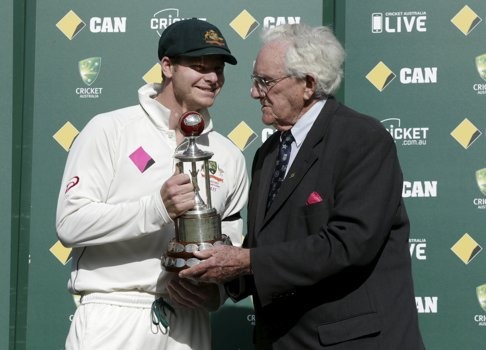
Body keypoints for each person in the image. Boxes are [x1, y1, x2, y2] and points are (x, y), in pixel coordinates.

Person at [180, 23, 425, 349]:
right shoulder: (268, 154)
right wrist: (216, 274)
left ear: (308, 84)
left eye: (265, 82)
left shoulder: (362, 139)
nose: (254, 93)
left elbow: (348, 244)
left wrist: (245, 261)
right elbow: (265, 246)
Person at [56, 18, 248, 350]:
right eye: (199, 66)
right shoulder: (111, 129)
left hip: (190, 319)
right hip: (116, 312)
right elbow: (70, 224)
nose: (213, 78)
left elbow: (229, 239)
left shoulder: (229, 155)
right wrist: (157, 209)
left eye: (218, 69)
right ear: (167, 66)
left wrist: (213, 292)